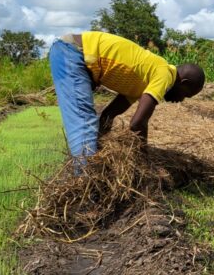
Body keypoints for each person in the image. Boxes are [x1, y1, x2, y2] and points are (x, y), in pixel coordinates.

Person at [48, 31, 205, 174]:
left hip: (70, 52)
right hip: (73, 52)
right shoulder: (165, 74)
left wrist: (103, 146)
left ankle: (85, 172)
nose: (181, 100)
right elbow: (137, 123)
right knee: (83, 120)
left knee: (86, 123)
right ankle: (84, 185)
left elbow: (108, 115)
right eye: (186, 95)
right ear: (184, 82)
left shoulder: (143, 80)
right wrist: (145, 162)